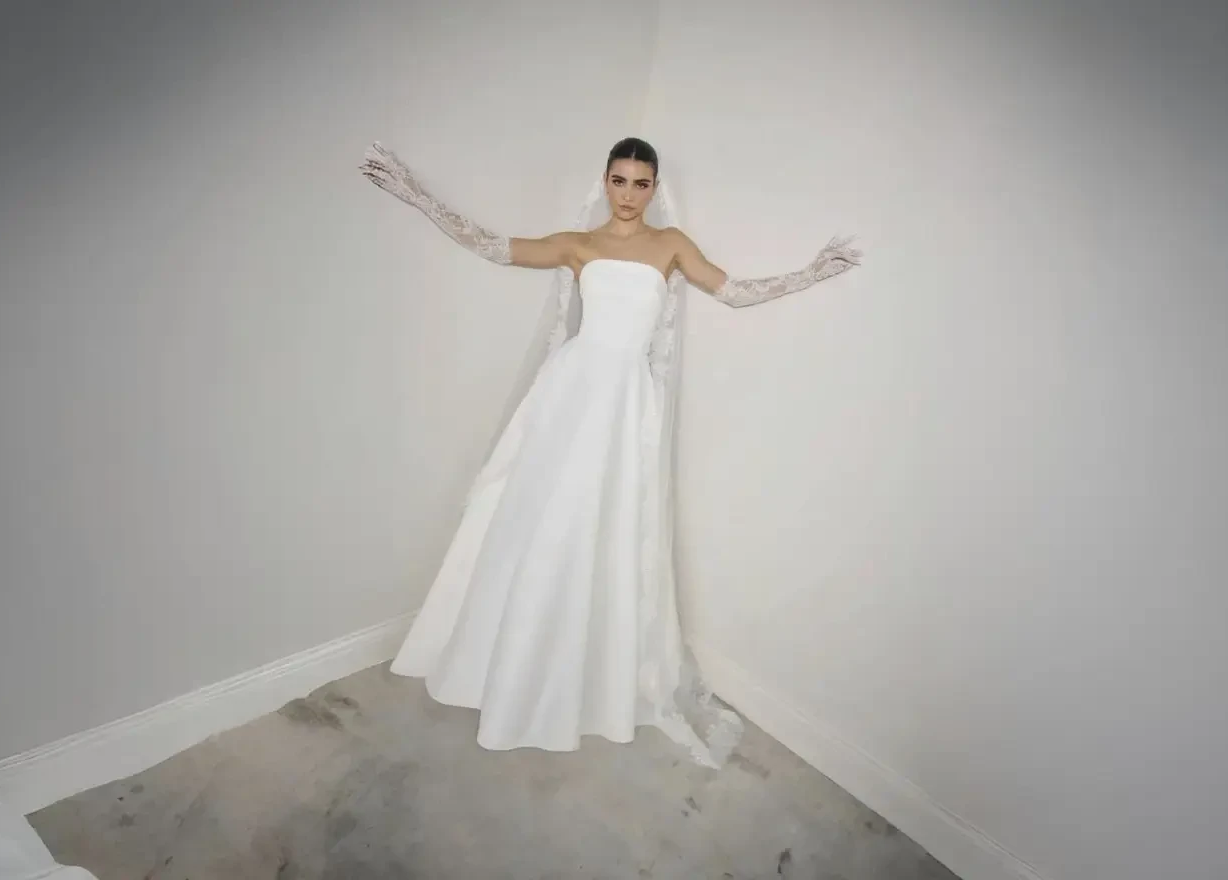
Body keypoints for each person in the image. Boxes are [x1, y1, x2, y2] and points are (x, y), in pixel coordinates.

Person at [358, 137, 860, 767]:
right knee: (536, 519)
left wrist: (813, 272)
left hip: (625, 401)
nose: (628, 194)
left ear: (655, 188)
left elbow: (733, 291)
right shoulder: (579, 243)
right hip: (570, 394)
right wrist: (416, 194)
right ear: (605, 181)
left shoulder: (671, 246)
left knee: (602, 527)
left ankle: (579, 677)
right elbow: (495, 246)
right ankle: (501, 662)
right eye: (619, 181)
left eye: (640, 183)